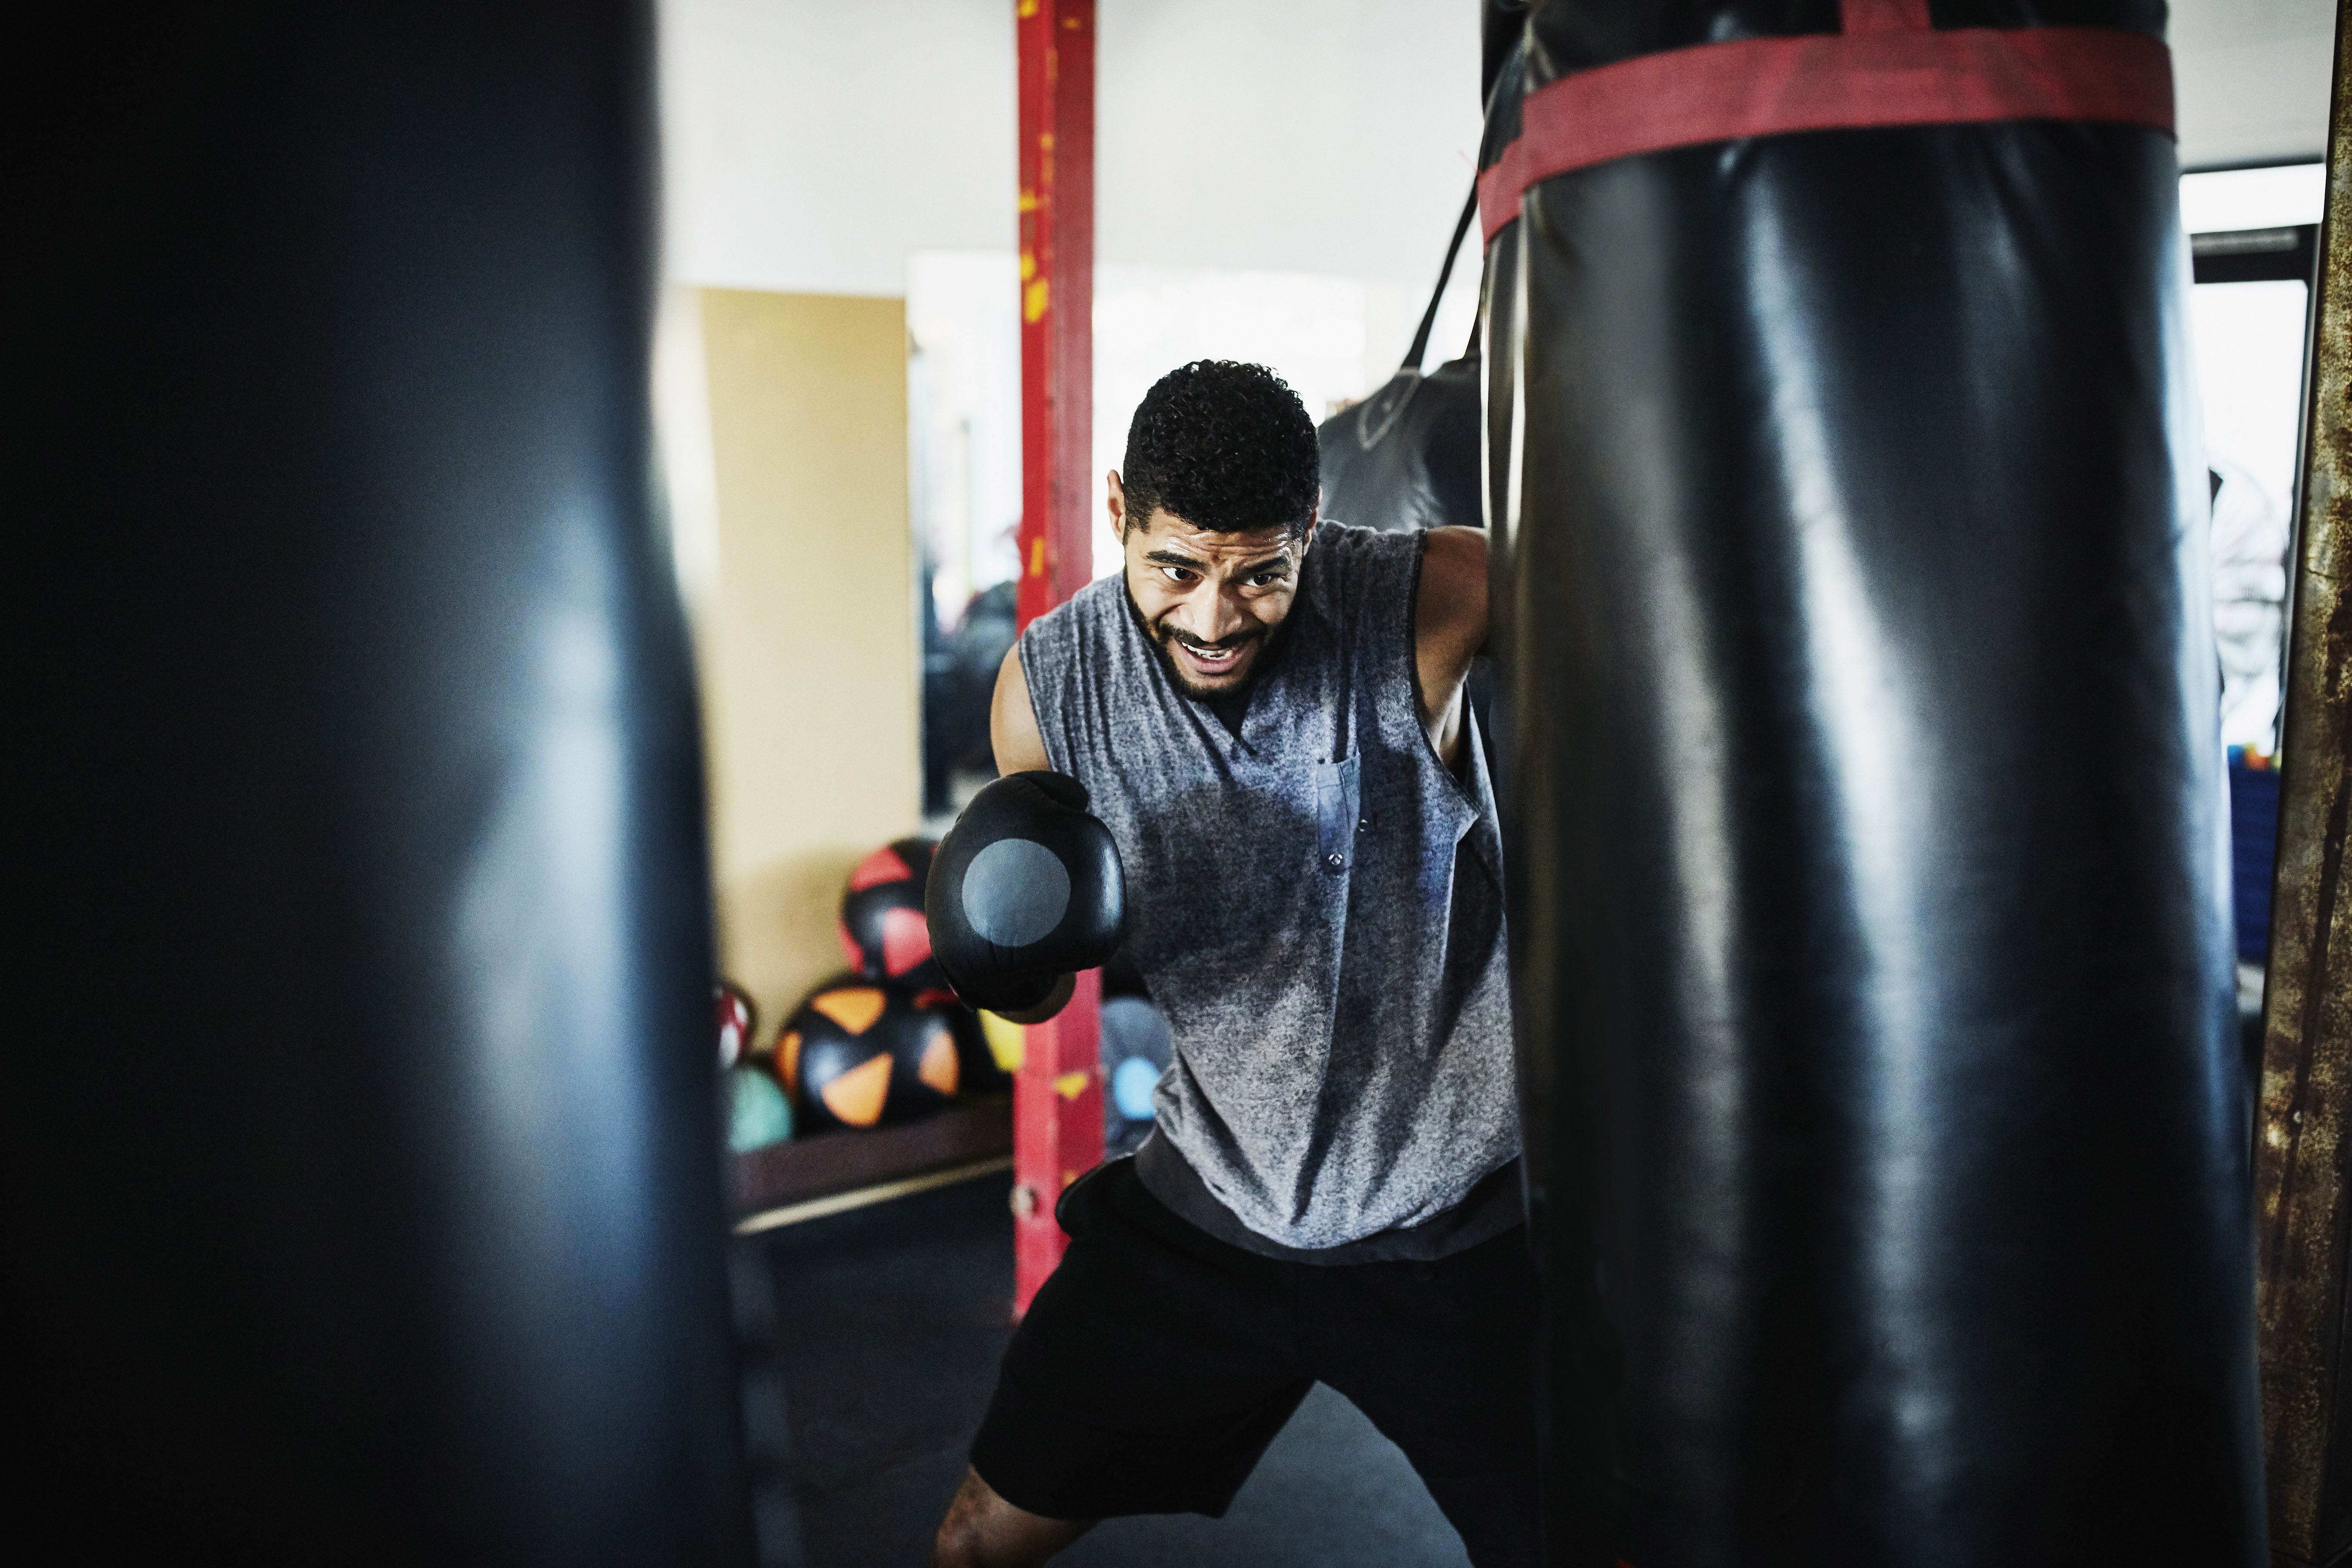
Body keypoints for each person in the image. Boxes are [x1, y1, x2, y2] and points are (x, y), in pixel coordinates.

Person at [931, 360, 1529, 1568]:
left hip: (1451, 1220)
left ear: (1312, 527)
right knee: (975, 1541)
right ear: (1119, 516)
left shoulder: (1433, 597)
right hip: (1214, 1203)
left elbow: (1665, 602)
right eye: (1176, 568)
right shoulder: (1047, 696)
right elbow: (1043, 990)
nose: (1215, 617)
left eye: (1260, 570)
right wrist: (1007, 961)